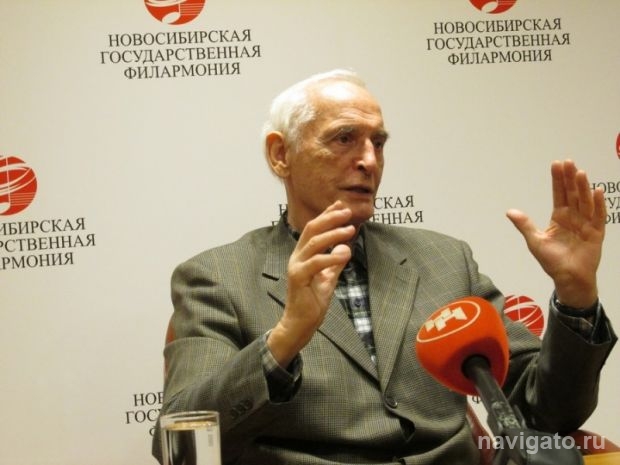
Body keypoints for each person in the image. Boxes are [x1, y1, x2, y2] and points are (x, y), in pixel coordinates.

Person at [152, 69, 616, 465]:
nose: (369, 160)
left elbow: (546, 412)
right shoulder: (217, 277)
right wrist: (285, 339)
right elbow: (182, 445)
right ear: (281, 154)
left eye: (378, 142)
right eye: (344, 139)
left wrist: (576, 294)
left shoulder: (443, 260)